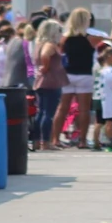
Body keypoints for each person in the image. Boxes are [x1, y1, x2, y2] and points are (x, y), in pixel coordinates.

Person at [54, 8, 97, 147]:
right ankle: (82, 140)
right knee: (84, 109)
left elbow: (60, 53)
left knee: (62, 108)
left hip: (68, 74)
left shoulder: (65, 38)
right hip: (84, 74)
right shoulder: (90, 38)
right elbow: (111, 42)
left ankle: (55, 139)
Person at [32, 19, 67, 151]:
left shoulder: (39, 43)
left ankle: (37, 141)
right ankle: (45, 142)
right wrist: (46, 67)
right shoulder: (49, 45)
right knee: (48, 113)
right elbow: (45, 55)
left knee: (41, 112)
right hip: (50, 80)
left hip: (42, 80)